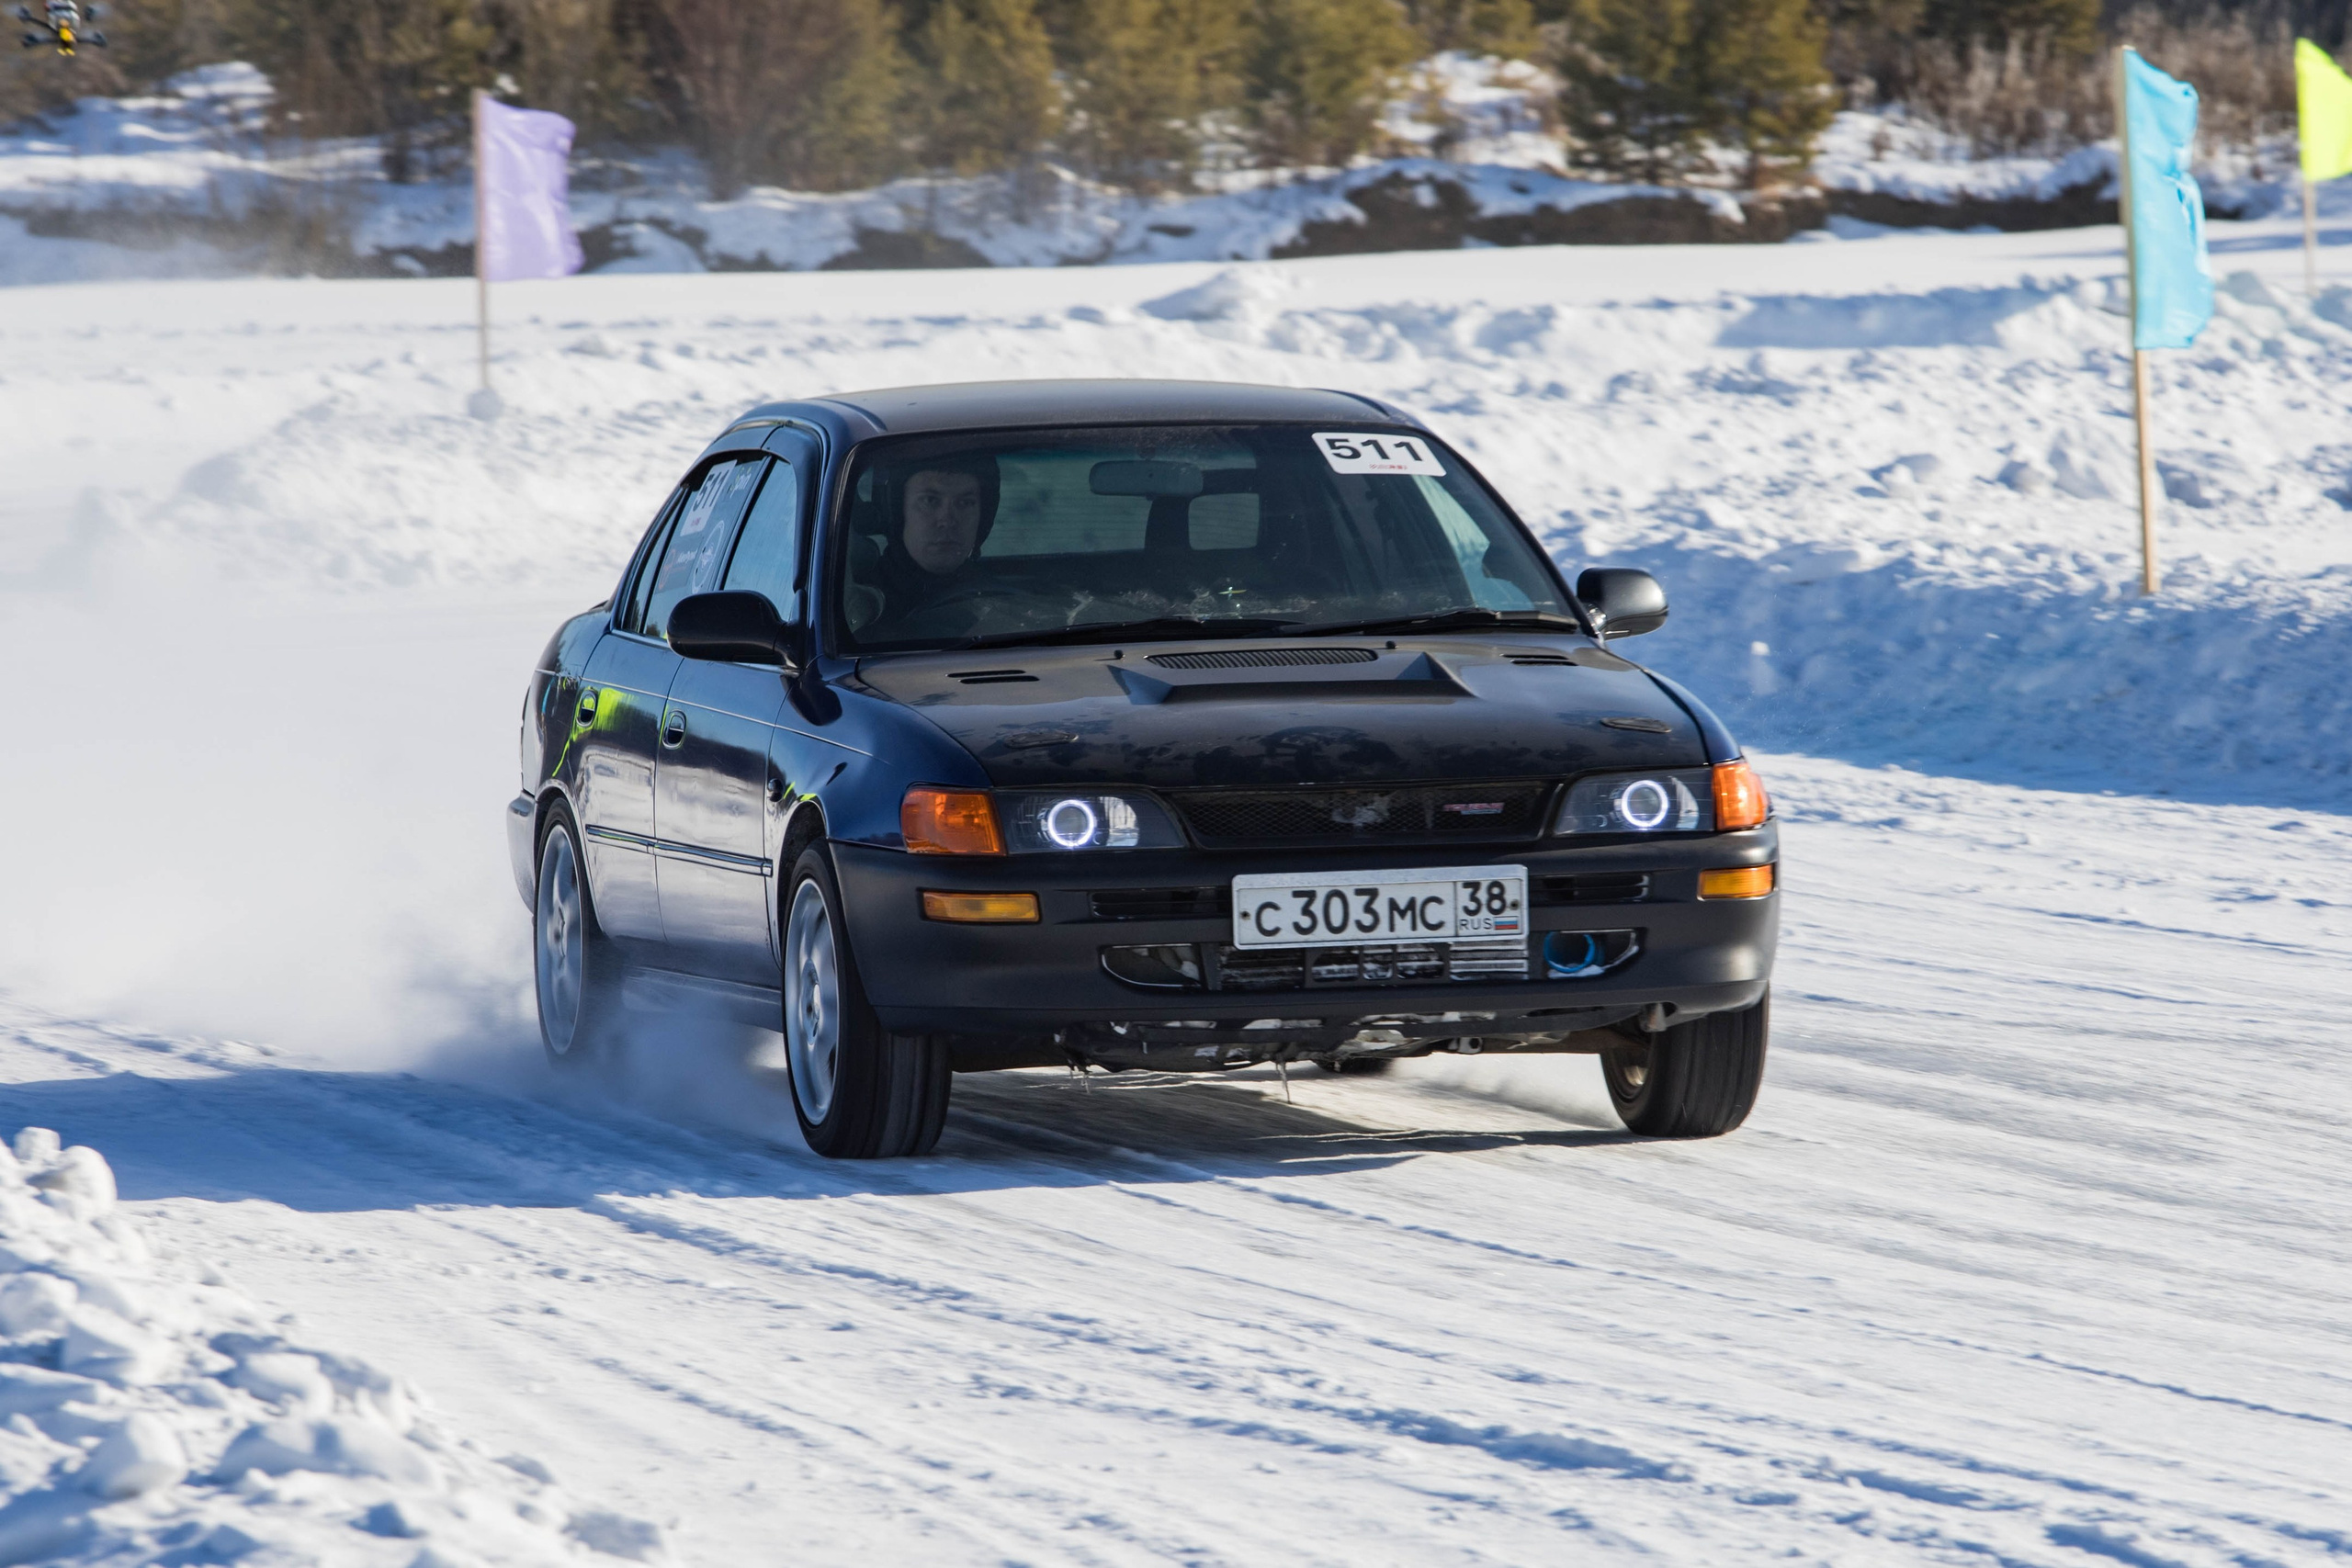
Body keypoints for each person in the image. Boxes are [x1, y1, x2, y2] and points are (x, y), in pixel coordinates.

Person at [862, 454, 1001, 637]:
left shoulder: (998, 599)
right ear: (898, 512)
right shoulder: (857, 609)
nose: (947, 521)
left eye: (965, 503)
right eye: (930, 500)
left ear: (983, 519)